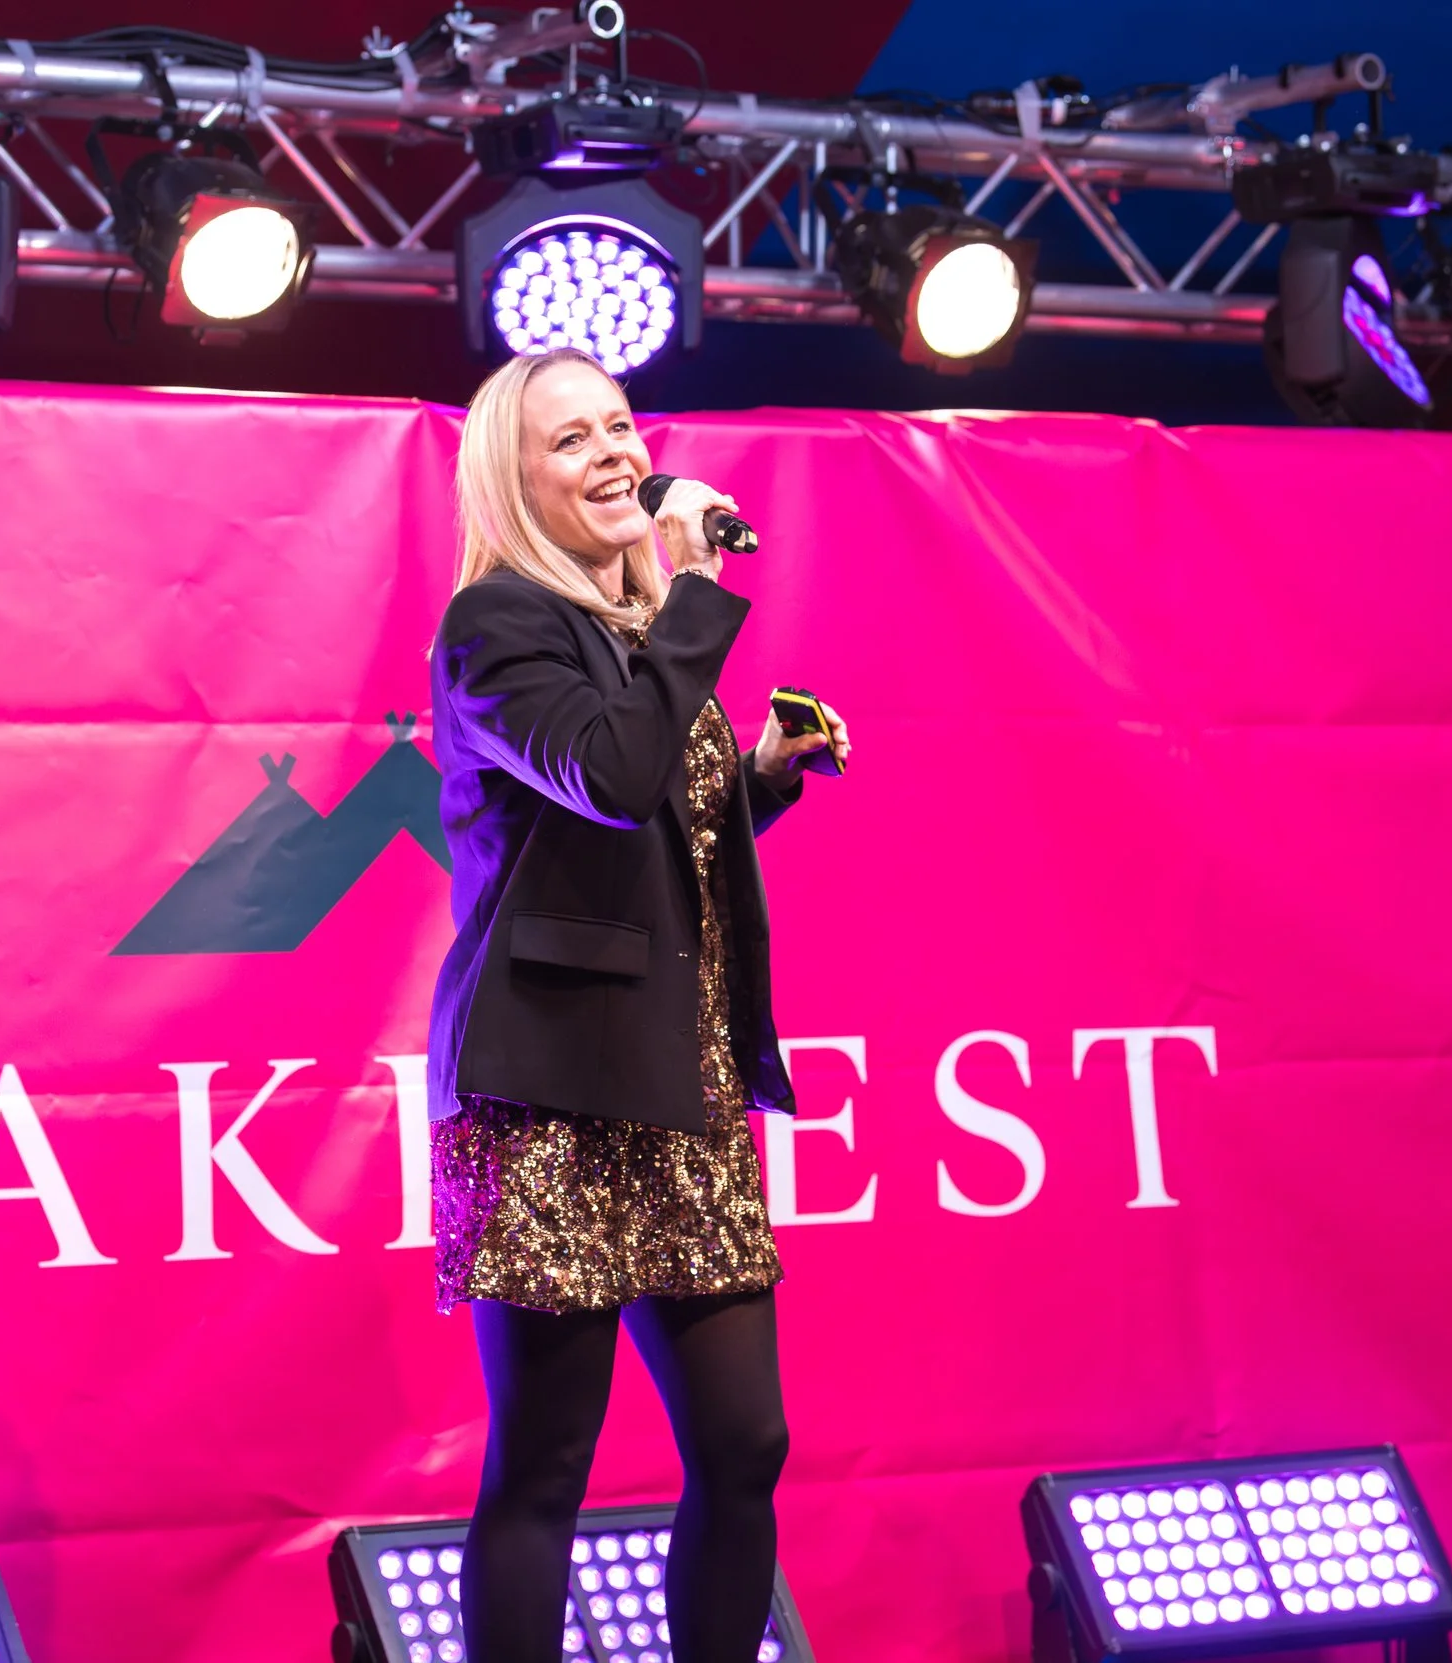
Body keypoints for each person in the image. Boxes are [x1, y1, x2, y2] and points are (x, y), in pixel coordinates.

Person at [424, 347, 851, 1663]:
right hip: (553, 1094)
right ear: (516, 477)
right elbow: (607, 776)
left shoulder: (632, 631)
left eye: (621, 426)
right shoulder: (494, 626)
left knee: (746, 1442)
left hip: (685, 1086)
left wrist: (762, 775)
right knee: (546, 1461)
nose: (615, 453)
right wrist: (697, 594)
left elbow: (652, 825)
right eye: (573, 441)